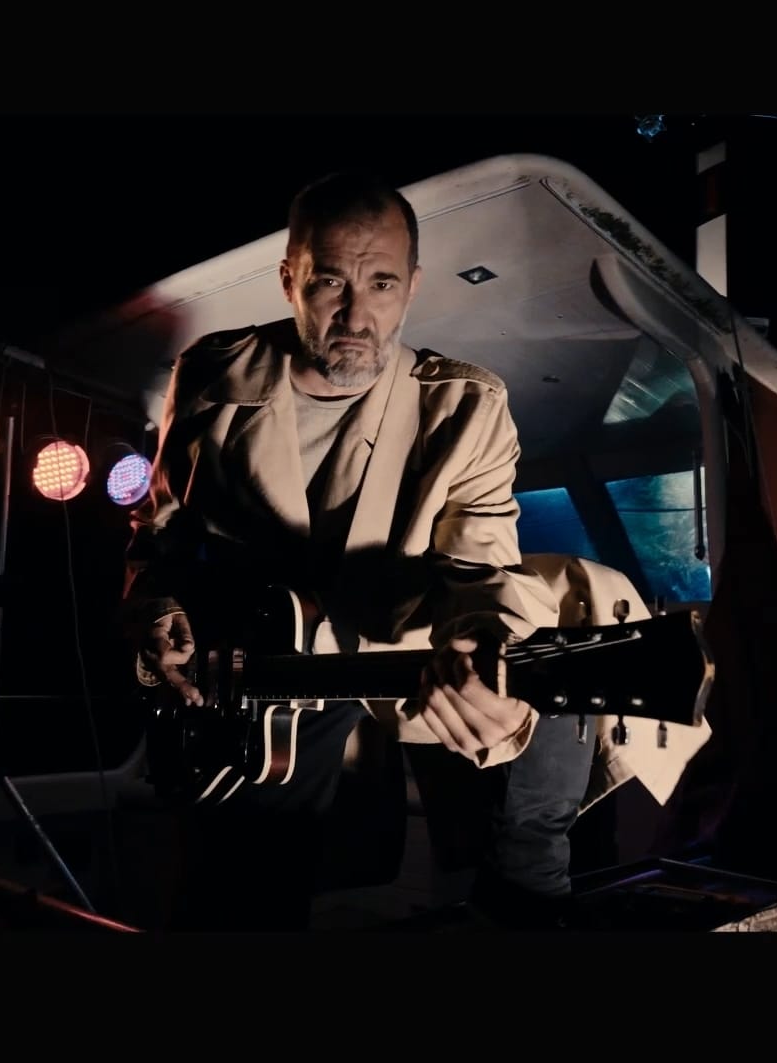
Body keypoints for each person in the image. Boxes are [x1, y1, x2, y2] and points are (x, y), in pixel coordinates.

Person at [122, 171, 598, 929]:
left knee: (538, 704)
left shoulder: (467, 407)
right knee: (239, 898)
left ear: (412, 287)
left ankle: (528, 893)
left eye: (381, 284)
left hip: (397, 649)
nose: (355, 314)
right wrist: (153, 603)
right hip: (264, 678)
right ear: (289, 280)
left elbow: (481, 568)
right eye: (330, 283)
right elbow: (163, 531)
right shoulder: (211, 373)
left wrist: (483, 639)